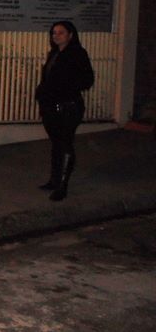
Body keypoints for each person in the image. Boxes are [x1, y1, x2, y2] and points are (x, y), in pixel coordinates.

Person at [35, 20, 94, 201]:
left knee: (65, 143)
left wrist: (65, 87)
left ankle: (62, 185)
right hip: (50, 106)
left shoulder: (77, 54)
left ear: (70, 35)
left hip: (69, 106)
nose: (56, 36)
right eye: (54, 33)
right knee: (56, 143)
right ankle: (54, 180)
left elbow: (87, 79)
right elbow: (48, 78)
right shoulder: (54, 53)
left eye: (61, 32)